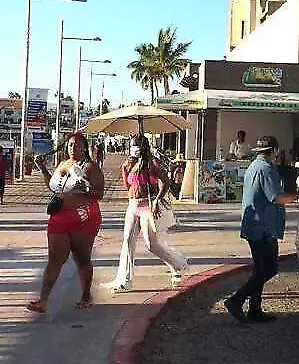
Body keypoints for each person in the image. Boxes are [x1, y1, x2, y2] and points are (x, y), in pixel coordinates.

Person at [28, 132, 105, 312]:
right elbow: (53, 187)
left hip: (83, 216)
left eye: (78, 145)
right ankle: (43, 300)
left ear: (85, 148)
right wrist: (43, 169)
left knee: (82, 258)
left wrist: (85, 187)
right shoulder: (63, 164)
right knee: (54, 258)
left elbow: (99, 194)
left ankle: (86, 295)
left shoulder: (90, 167)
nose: (73, 148)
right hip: (60, 216)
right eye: (70, 145)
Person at [224, 135, 297, 323]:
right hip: (262, 227)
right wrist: (298, 196)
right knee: (269, 268)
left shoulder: (254, 165)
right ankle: (236, 299)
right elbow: (276, 198)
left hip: (253, 225)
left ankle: (254, 309)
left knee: (259, 269)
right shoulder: (266, 169)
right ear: (274, 151)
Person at [107, 136, 189, 293]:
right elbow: (128, 187)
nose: (134, 148)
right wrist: (129, 169)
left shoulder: (153, 163)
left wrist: (156, 200)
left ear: (145, 147)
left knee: (151, 244)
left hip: (148, 205)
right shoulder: (127, 164)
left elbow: (166, 182)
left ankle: (178, 264)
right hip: (133, 205)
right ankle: (125, 279)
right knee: (127, 241)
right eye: (132, 146)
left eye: (138, 146)